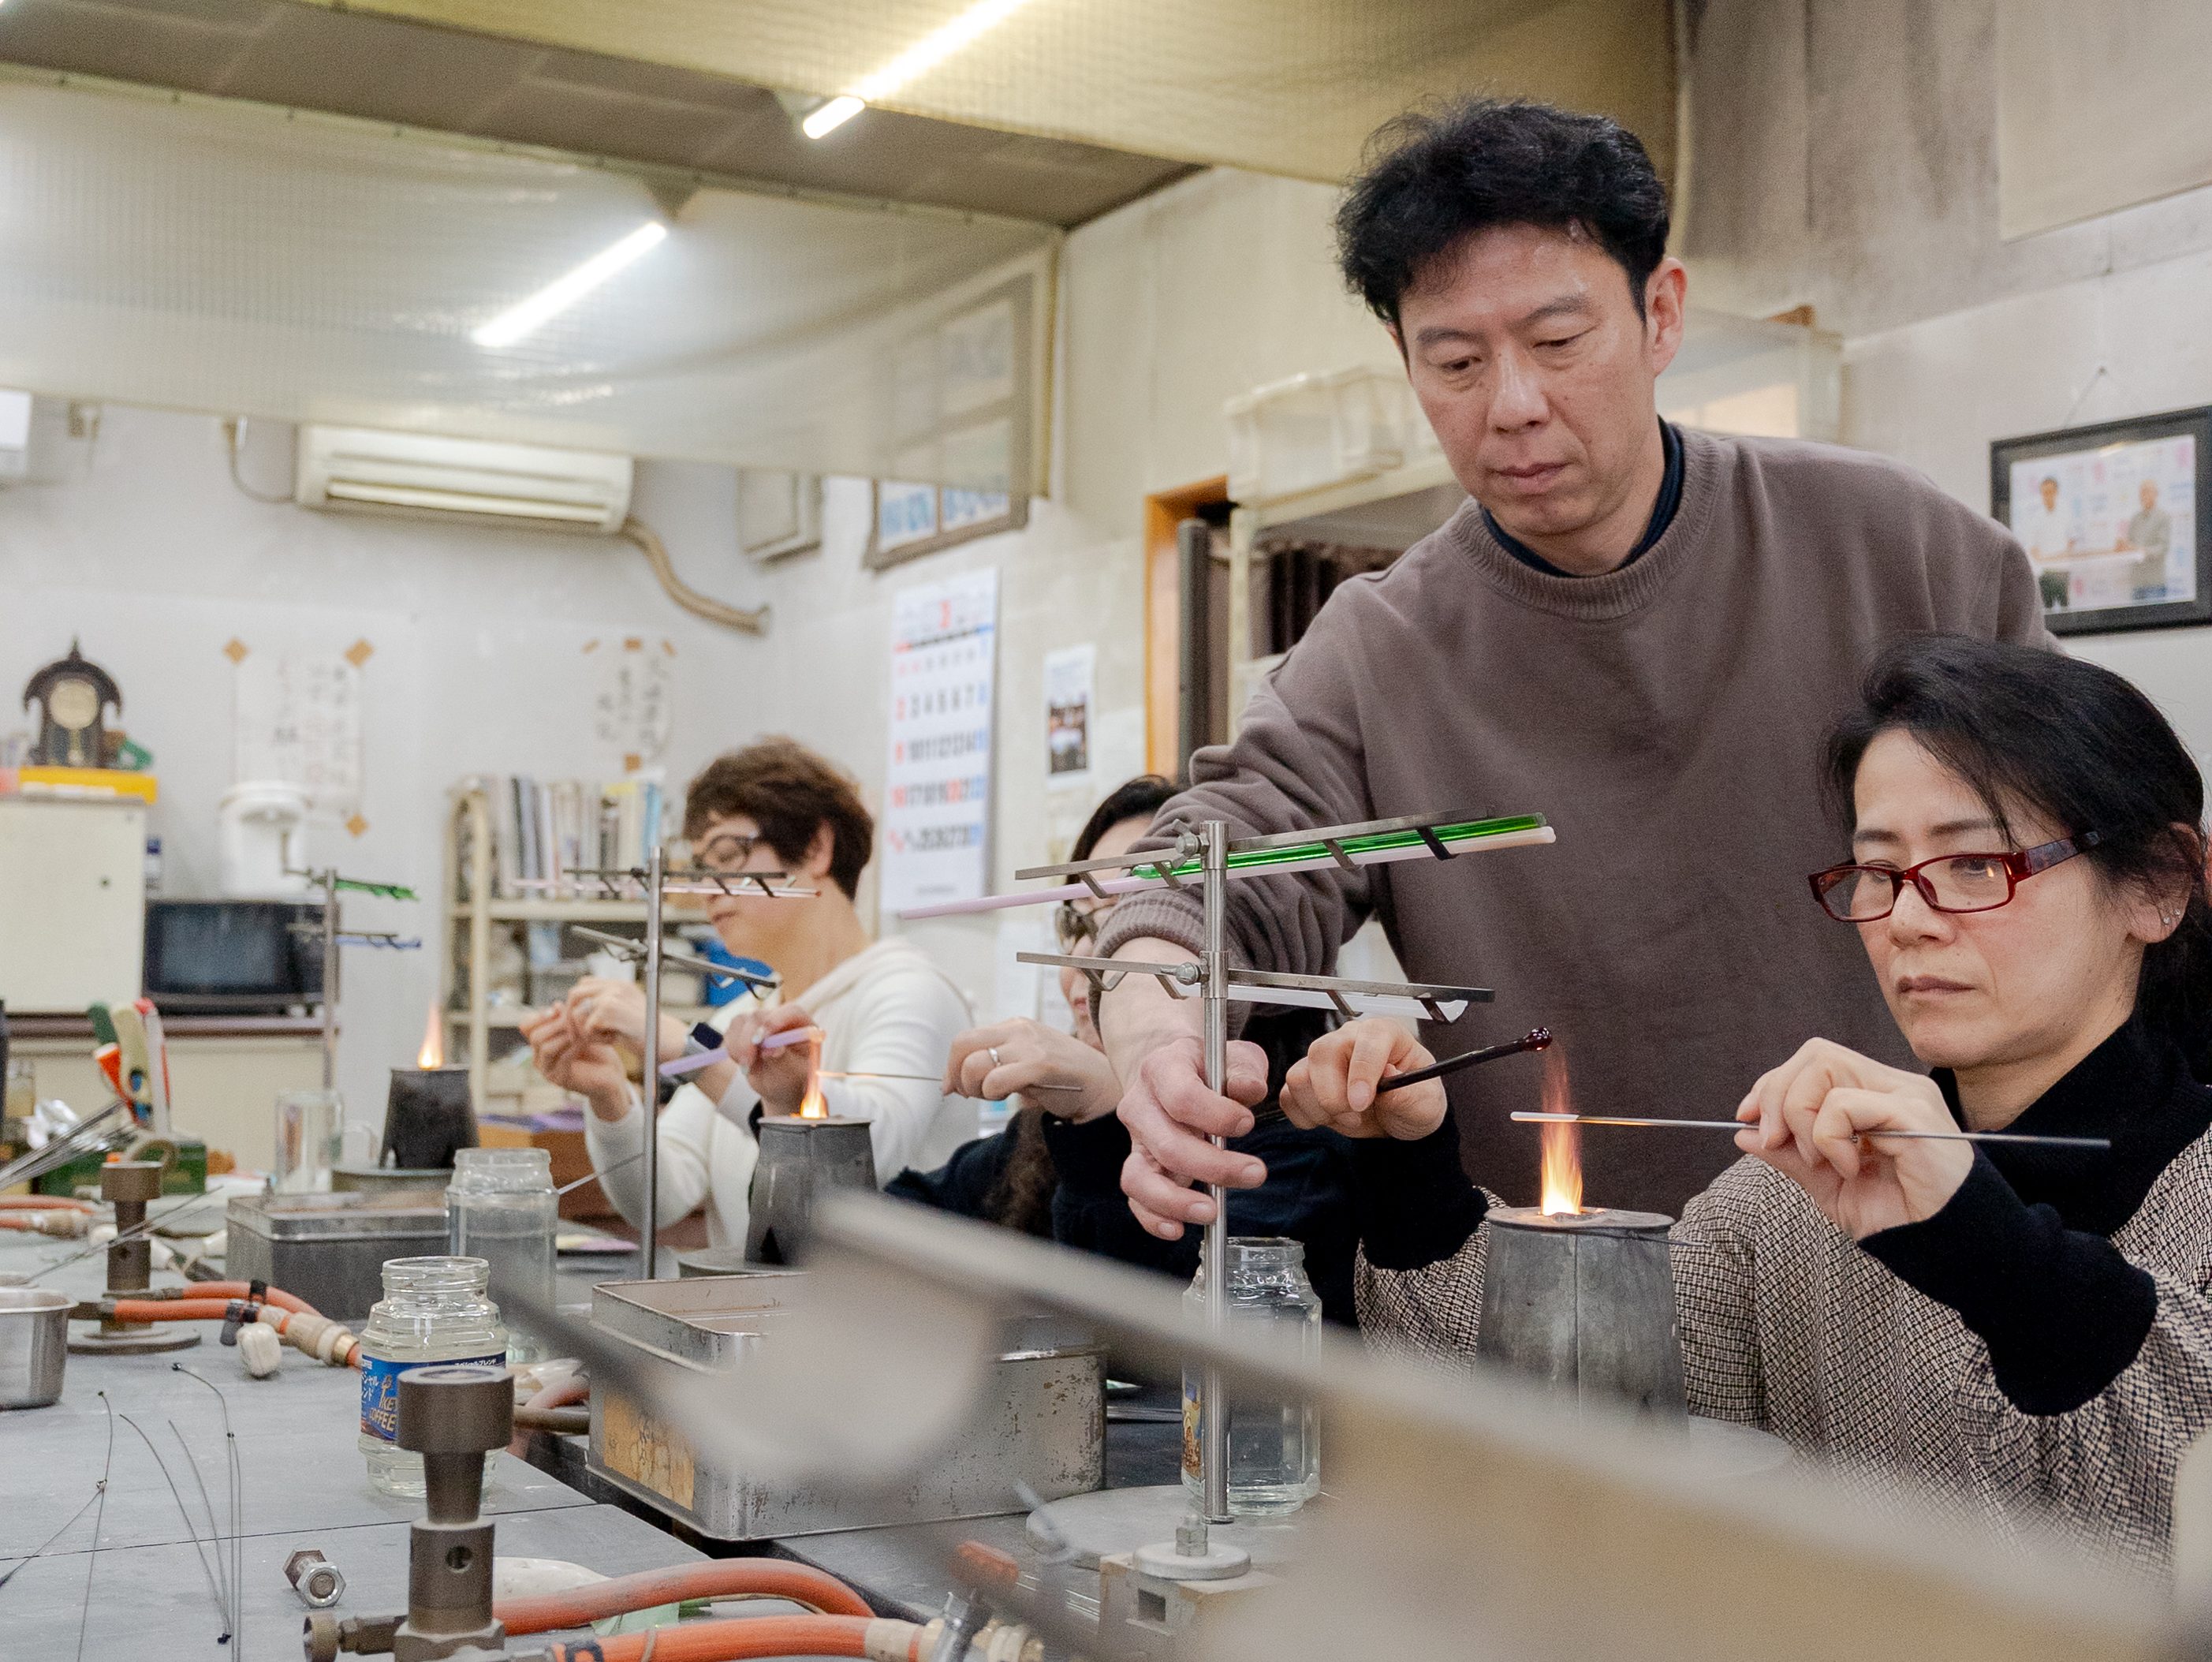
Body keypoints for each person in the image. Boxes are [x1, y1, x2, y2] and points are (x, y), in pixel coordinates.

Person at [1095, 96, 2051, 1240]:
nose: (1513, 405)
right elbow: (1207, 874)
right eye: (1453, 359)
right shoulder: (1374, 650)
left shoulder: (1901, 547)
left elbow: (2093, 868)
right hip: (1555, 1298)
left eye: (1558, 342)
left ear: (1660, 314)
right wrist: (1153, 1027)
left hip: (1924, 1259)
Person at [1296, 637, 2212, 1568]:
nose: (1904, 919)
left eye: (1976, 865)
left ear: (2159, 885)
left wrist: (1985, 1244)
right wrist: (1413, 1174)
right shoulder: (1801, 1197)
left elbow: (2174, 1521)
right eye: (1880, 871)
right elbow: (1579, 1407)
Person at [887, 776, 1360, 1320]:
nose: (1085, 964)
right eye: (1077, 923)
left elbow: (1151, 1341)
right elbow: (878, 1226)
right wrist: (796, 1121)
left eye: (1127, 922)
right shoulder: (1047, 1135)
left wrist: (1107, 1111)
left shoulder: (1305, 1150)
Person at [520, 738, 976, 1249]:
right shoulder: (745, 1011)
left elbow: (867, 1153)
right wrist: (609, 1096)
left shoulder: (908, 989)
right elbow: (659, 1197)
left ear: (815, 848)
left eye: (727, 854)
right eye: (699, 866)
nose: (707, 887)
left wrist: (690, 1050)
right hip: (762, 1317)